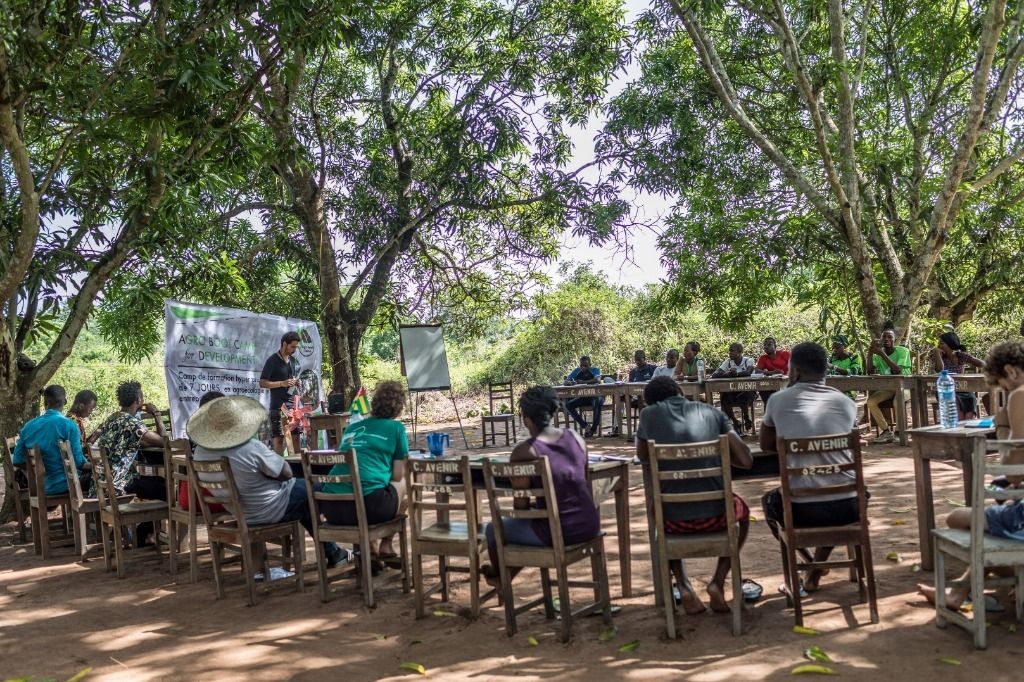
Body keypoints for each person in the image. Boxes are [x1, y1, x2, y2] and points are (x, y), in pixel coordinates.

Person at [918, 341, 1024, 608]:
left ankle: (960, 593)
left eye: (1005, 387)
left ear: (1011, 372)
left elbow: (1013, 473)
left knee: (958, 518)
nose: (1007, 393)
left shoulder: (1020, 395)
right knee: (992, 517)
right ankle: (960, 593)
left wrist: (1002, 427)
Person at [636, 376, 753, 614]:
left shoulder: (648, 415)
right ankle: (718, 581)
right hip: (718, 517)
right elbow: (745, 460)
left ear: (651, 402)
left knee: (657, 511)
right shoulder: (713, 412)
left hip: (673, 522)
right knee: (744, 513)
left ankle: (683, 585)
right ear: (680, 391)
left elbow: (642, 455)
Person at [189, 395, 347, 568]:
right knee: (322, 490)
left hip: (242, 513)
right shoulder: (249, 447)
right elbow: (286, 473)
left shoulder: (199, 453)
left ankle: (334, 553)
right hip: (272, 507)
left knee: (306, 500)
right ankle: (349, 545)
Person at [759, 341, 862, 594]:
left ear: (794, 371)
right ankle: (816, 569)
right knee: (836, 489)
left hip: (801, 511)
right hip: (850, 508)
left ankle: (810, 565)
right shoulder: (846, 403)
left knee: (770, 502)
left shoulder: (777, 401)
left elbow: (766, 445)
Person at [481, 386, 601, 586]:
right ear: (553, 412)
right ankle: (505, 575)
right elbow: (582, 486)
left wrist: (536, 509)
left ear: (526, 420)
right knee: (525, 528)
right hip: (589, 524)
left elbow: (520, 507)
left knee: (493, 529)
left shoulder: (525, 452)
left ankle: (499, 575)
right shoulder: (576, 438)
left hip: (559, 531)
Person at [321, 380, 409, 575]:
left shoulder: (352, 427)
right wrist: (380, 473)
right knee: (404, 484)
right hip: (368, 507)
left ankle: (370, 551)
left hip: (332, 508)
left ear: (374, 403)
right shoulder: (396, 428)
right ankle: (386, 543)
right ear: (399, 407)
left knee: (363, 489)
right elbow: (397, 475)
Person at [92, 381, 167, 503]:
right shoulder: (133, 423)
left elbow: (127, 442)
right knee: (166, 487)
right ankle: (150, 517)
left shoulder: (111, 418)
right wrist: (156, 414)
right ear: (138, 400)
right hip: (119, 484)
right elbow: (164, 441)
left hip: (101, 483)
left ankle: (147, 516)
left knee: (157, 482)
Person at [13, 385, 90, 496]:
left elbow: (17, 460)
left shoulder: (28, 427)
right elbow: (79, 463)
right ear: (65, 402)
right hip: (66, 485)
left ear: (45, 403)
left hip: (40, 488)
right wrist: (100, 467)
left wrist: (37, 476)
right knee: (104, 478)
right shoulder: (69, 425)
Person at [864, 326, 912, 443]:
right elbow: (869, 371)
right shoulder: (877, 355)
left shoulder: (903, 351)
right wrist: (870, 352)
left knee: (897, 401)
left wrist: (882, 354)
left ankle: (898, 432)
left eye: (889, 337)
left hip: (905, 386)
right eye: (884, 337)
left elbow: (897, 370)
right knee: (871, 402)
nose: (886, 339)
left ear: (895, 340)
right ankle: (886, 431)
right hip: (889, 388)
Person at [260, 331, 302, 454]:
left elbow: (293, 379)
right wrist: (281, 383)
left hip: (293, 407)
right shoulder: (272, 360)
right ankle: (278, 465)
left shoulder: (293, 361)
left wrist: (297, 382)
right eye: (292, 347)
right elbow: (262, 383)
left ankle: (299, 465)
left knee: (295, 437)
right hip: (277, 407)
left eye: (296, 347)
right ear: (284, 344)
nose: (294, 350)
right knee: (278, 439)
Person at [930, 331, 986, 419]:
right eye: (939, 343)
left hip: (963, 388)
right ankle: (958, 424)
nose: (939, 346)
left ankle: (968, 424)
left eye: (942, 343)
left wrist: (983, 373)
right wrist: (937, 354)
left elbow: (983, 364)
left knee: (971, 400)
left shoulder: (961, 356)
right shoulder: (938, 357)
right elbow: (940, 370)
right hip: (946, 389)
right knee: (955, 405)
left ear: (950, 344)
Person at [712, 342, 756, 434]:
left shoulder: (748, 360)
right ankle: (735, 422)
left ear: (739, 352)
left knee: (743, 396)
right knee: (724, 399)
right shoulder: (728, 362)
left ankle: (746, 417)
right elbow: (715, 375)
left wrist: (737, 374)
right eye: (729, 350)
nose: (730, 353)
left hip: (748, 392)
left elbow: (748, 372)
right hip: (733, 392)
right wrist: (727, 374)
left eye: (732, 350)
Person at [564, 356, 604, 438]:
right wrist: (571, 383)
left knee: (597, 401)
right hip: (584, 397)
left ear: (590, 365)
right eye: (581, 365)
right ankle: (585, 426)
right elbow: (565, 382)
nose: (583, 367)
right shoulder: (576, 371)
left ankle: (593, 429)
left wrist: (583, 382)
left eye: (585, 365)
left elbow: (597, 380)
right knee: (568, 405)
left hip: (595, 396)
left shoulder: (595, 370)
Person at [755, 337, 790, 406]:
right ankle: (769, 409)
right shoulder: (763, 358)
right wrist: (771, 372)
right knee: (763, 390)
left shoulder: (784, 354)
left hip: (788, 382)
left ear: (775, 346)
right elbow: (757, 371)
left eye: (769, 344)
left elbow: (796, 366)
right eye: (765, 345)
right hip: (773, 383)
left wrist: (787, 374)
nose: (766, 347)